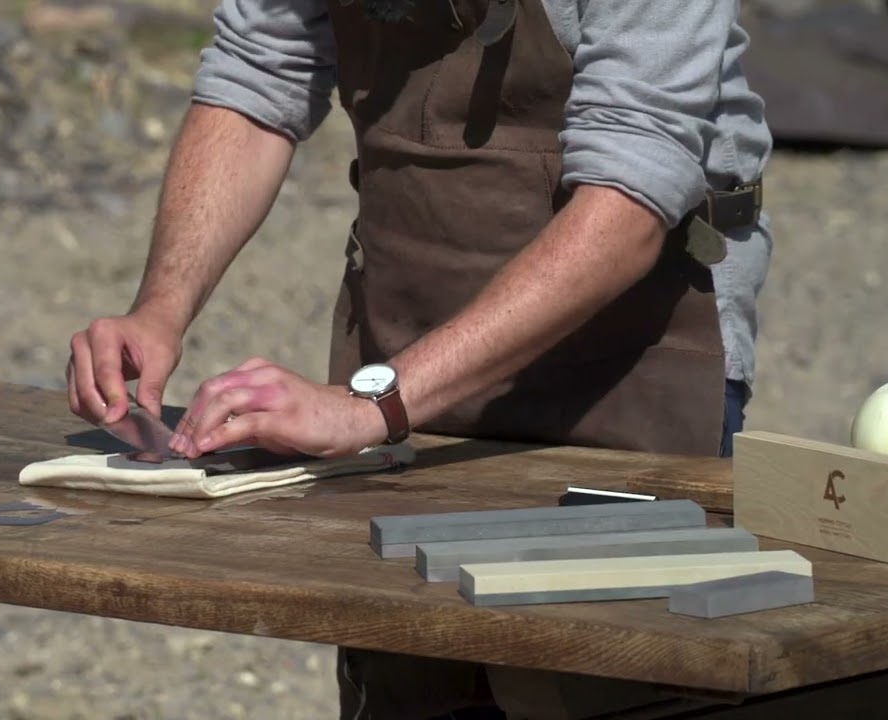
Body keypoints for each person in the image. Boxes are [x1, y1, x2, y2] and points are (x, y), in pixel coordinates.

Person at [67, 0, 773, 716]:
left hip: (630, 361)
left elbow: (629, 200)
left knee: (607, 670)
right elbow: (258, 73)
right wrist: (161, 305)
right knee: (413, 682)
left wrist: (370, 402)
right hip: (404, 355)